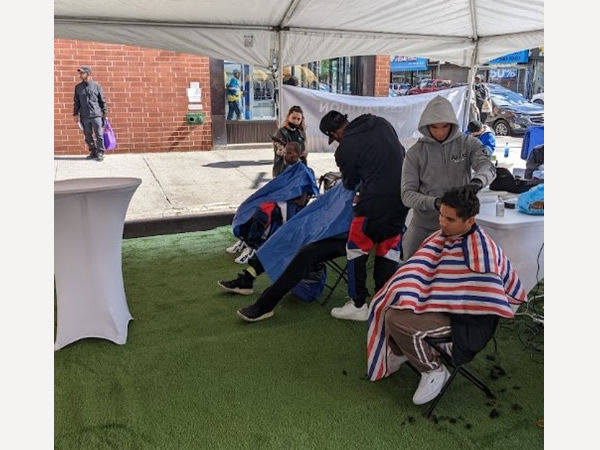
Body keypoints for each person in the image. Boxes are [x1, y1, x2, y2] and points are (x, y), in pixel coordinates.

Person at [367, 186, 527, 404]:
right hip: (440, 305)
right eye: (441, 215)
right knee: (388, 300)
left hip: (467, 321)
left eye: (450, 219)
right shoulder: (441, 236)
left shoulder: (482, 255)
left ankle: (433, 370)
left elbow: (483, 302)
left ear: (469, 221)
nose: (442, 222)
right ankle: (402, 351)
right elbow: (424, 271)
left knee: (397, 318)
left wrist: (433, 299)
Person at [319, 110, 410, 322]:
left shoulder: (344, 150)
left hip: (372, 204)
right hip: (401, 199)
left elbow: (350, 183)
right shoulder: (381, 122)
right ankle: (384, 302)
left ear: (335, 134)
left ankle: (358, 304)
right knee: (388, 251)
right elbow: (401, 152)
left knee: (355, 249)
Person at [218, 183, 355, 322]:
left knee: (306, 252)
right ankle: (248, 278)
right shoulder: (350, 179)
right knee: (286, 233)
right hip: (330, 228)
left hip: (349, 238)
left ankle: (266, 303)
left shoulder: (366, 180)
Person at [401, 95, 496, 260]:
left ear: (452, 124)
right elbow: (407, 195)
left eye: (444, 126)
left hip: (460, 227)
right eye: (434, 127)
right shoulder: (415, 153)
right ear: (426, 126)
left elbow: (488, 167)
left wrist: (476, 183)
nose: (440, 132)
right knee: (411, 272)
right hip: (423, 226)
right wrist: (436, 203)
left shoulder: (468, 143)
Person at [227, 142, 319, 264]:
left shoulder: (303, 172)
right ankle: (244, 239)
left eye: (290, 153)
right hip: (281, 201)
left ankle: (253, 246)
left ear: (298, 154)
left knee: (263, 210)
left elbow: (301, 200)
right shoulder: (289, 168)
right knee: (250, 205)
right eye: (285, 152)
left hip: (290, 207)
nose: (286, 156)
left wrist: (283, 197)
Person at [73, 65, 108, 161]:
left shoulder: (97, 86)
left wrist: (105, 112)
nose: (80, 75)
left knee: (99, 135)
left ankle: (100, 152)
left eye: (82, 73)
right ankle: (93, 151)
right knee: (88, 136)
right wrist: (75, 114)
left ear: (88, 73)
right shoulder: (78, 87)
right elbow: (76, 102)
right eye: (80, 73)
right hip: (84, 116)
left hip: (96, 115)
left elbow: (102, 100)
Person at [272, 105, 308, 177]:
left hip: (299, 171)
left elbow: (305, 148)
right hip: (284, 172)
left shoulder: (301, 133)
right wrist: (281, 151)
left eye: (298, 119)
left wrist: (305, 153)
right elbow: (279, 152)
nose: (295, 121)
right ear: (288, 117)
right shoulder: (281, 132)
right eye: (293, 118)